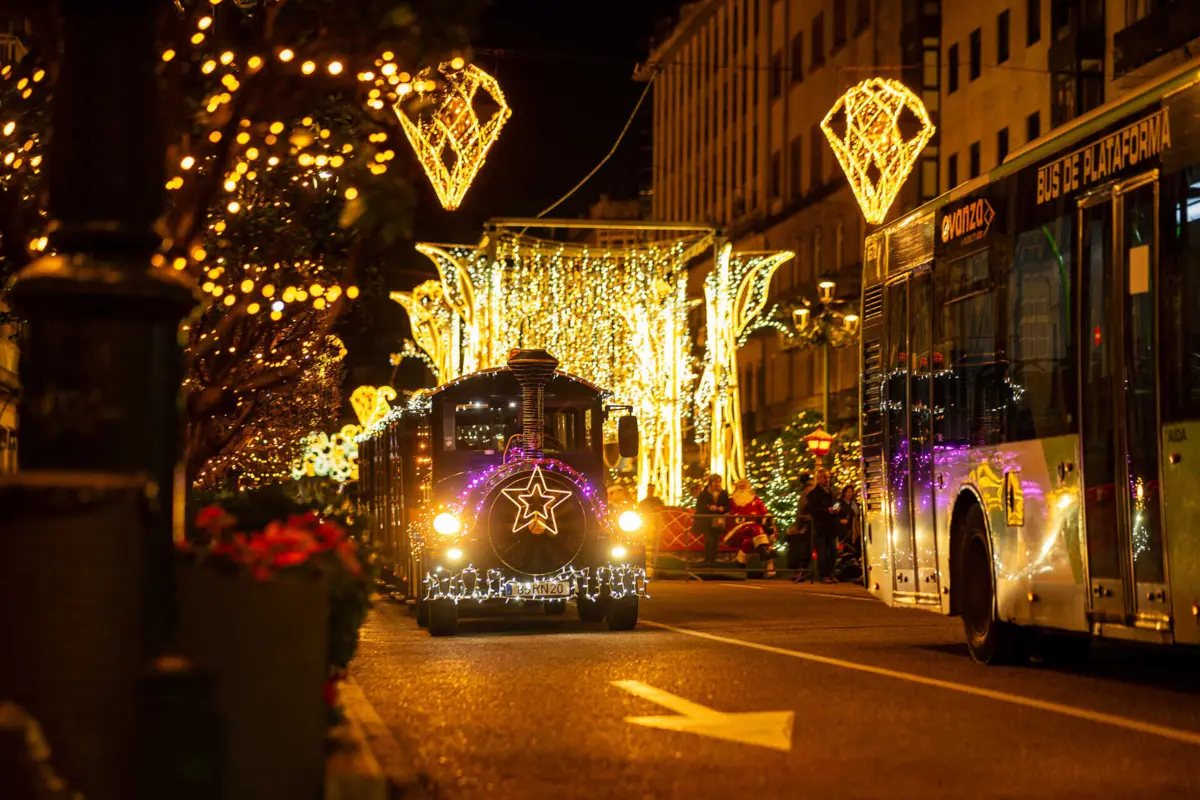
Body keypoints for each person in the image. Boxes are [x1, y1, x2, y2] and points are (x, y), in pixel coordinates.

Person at [724, 479, 777, 577]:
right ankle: (764, 550)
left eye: (744, 485)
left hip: (752, 533)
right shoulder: (731, 501)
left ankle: (741, 564)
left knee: (749, 541)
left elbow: (765, 513)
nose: (742, 488)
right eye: (740, 485)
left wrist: (767, 520)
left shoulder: (756, 500)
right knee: (755, 527)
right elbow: (726, 514)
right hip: (737, 529)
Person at [806, 469, 839, 584]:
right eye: (824, 477)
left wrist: (836, 508)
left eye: (828, 477)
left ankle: (830, 573)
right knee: (823, 552)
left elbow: (837, 502)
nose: (827, 479)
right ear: (818, 479)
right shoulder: (813, 494)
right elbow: (813, 510)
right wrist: (827, 510)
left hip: (831, 526)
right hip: (821, 527)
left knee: (833, 552)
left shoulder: (831, 492)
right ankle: (823, 575)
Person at [693, 474, 729, 567]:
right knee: (709, 541)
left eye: (719, 482)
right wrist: (708, 507)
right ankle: (707, 561)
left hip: (718, 522)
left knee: (715, 542)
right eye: (715, 481)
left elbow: (728, 506)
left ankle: (712, 562)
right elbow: (699, 507)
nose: (717, 484)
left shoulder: (723, 493)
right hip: (706, 521)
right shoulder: (704, 493)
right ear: (710, 483)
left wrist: (723, 508)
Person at [789, 473, 814, 582]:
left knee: (803, 547)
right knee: (796, 544)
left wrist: (803, 527)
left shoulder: (810, 498)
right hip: (803, 526)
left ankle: (802, 571)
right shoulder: (804, 498)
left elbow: (806, 513)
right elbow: (800, 513)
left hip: (809, 527)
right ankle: (799, 570)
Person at [834, 485, 862, 582]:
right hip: (843, 530)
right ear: (844, 493)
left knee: (854, 550)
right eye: (847, 492)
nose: (849, 494)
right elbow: (833, 512)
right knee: (845, 550)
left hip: (854, 529)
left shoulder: (855, 503)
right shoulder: (838, 502)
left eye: (851, 491)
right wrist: (839, 520)